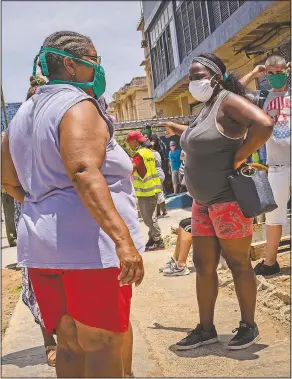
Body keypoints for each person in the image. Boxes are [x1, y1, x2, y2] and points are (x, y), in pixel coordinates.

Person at [2, 30, 144, 378]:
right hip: (89, 249)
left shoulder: (22, 115)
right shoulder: (77, 105)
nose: (97, 68)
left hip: (42, 249)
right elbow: (82, 170)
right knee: (101, 344)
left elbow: (7, 180)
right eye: (94, 60)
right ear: (70, 63)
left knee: (68, 343)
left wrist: (42, 203)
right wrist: (123, 240)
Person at [160, 53, 273, 351]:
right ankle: (206, 328)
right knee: (203, 264)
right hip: (202, 203)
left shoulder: (227, 101)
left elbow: (264, 123)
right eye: (190, 76)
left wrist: (239, 155)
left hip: (228, 201)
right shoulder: (206, 108)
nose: (193, 81)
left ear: (215, 76)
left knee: (238, 263)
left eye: (198, 75)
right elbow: (205, 138)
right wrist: (179, 129)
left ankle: (248, 325)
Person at [13, 76, 57, 367]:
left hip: (61, 214)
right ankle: (50, 341)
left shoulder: (63, 125)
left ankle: (62, 337)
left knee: (61, 277)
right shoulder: (16, 134)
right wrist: (31, 199)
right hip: (34, 214)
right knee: (40, 279)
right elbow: (7, 179)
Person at [240, 55, 291, 276]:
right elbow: (232, 93)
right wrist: (253, 73)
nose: (275, 76)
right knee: (273, 216)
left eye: (280, 71)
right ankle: (270, 263)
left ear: (287, 71)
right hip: (277, 166)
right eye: (270, 73)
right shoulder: (262, 97)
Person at [127, 131, 165, 251]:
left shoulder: (139, 154)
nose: (129, 145)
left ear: (135, 141)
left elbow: (131, 169)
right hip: (153, 189)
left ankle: (158, 240)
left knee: (148, 218)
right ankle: (152, 238)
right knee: (151, 216)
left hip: (145, 191)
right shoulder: (149, 152)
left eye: (129, 143)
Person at [150, 141, 168, 217]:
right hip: (159, 173)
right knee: (156, 194)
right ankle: (158, 213)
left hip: (156, 174)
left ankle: (164, 212)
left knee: (158, 193)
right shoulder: (156, 152)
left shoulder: (151, 154)